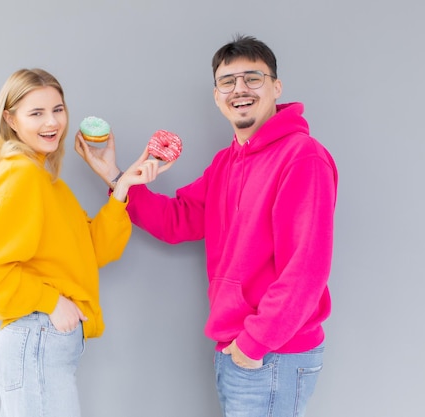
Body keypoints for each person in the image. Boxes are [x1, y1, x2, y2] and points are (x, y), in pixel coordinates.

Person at [75, 35, 338, 417]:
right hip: (238, 349)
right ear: (217, 96)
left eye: (253, 78)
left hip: (273, 354)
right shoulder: (226, 164)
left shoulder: (303, 157)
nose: (239, 90)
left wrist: (253, 344)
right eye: (227, 82)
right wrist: (117, 176)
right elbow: (176, 220)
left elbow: (306, 269)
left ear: (276, 87)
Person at [0, 68, 169, 417]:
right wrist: (50, 302)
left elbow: (94, 250)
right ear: (10, 119)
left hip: (42, 344)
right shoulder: (21, 174)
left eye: (57, 109)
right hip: (36, 337)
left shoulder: (48, 183)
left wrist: (122, 188)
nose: (51, 122)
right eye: (36, 113)